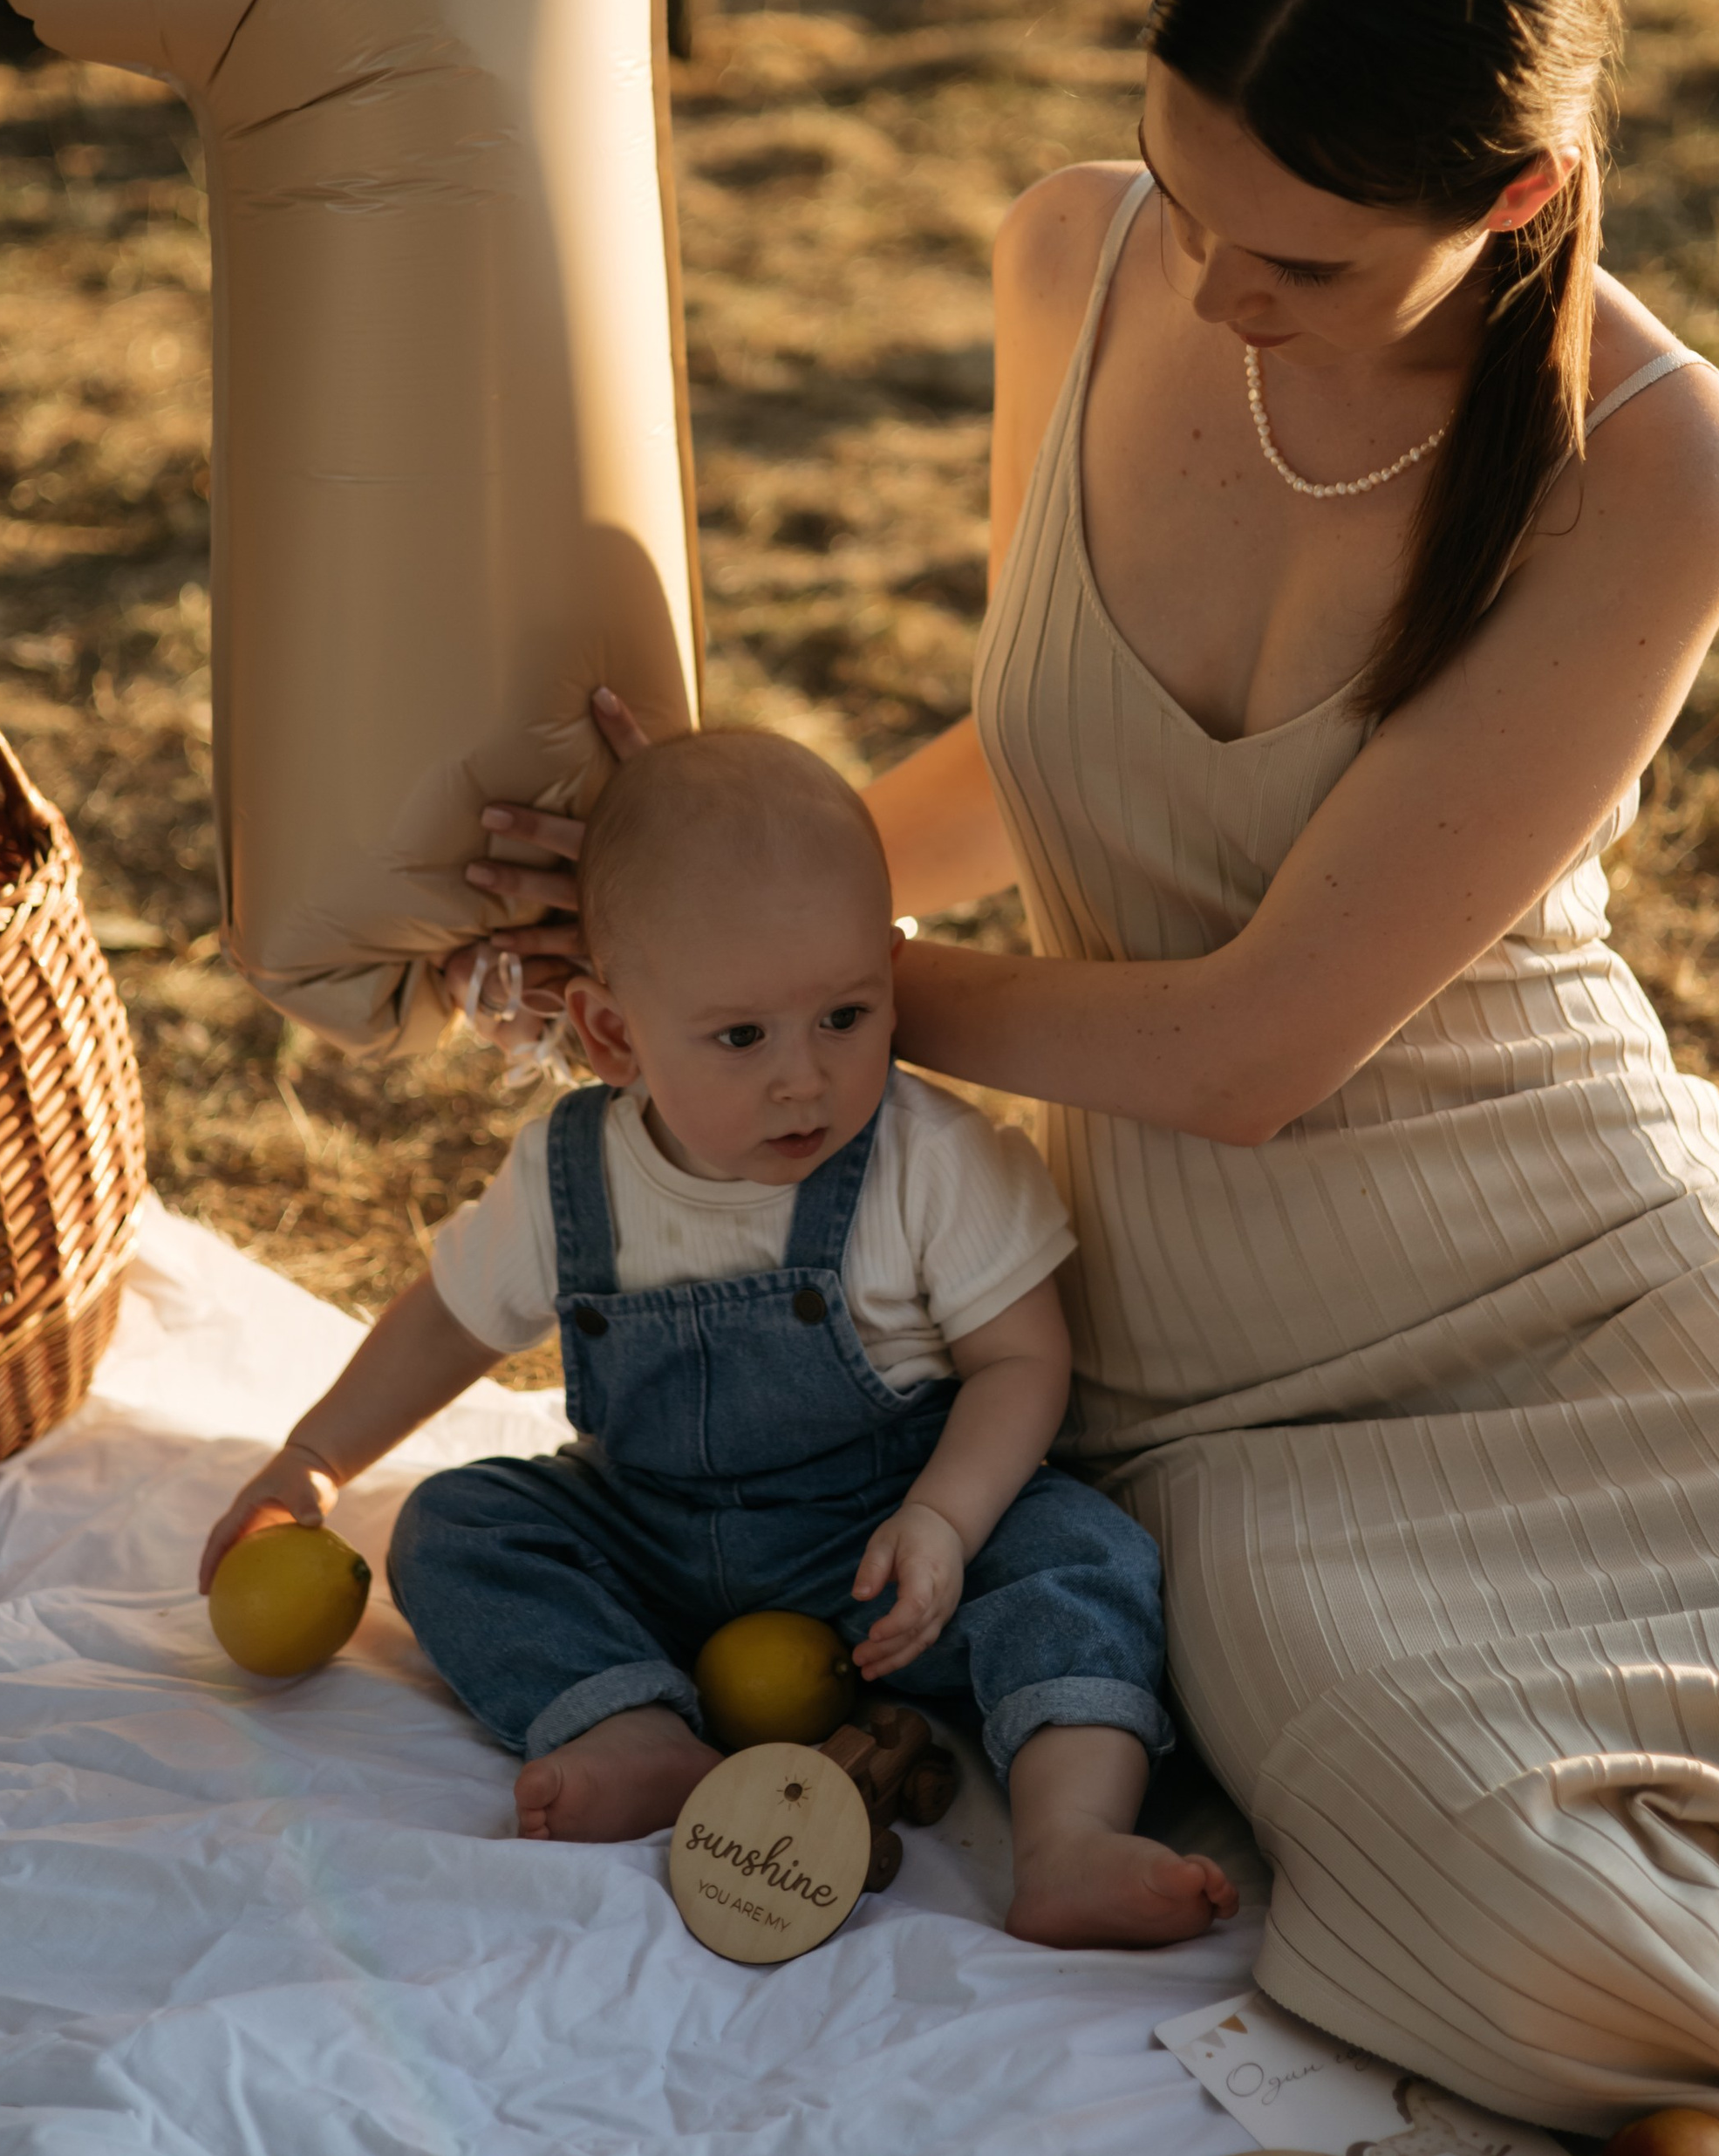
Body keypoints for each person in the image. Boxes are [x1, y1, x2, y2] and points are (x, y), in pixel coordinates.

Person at [465, 0, 1719, 2156]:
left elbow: (1256, 1047)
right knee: (1531, 1959)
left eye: (1285, 252)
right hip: (1227, 1389)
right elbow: (1027, 752)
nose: (1202, 286)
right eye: (1183, 196)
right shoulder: (1075, 259)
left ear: (1506, 205)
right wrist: (717, 928)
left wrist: (812, 1000)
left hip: (1594, 1264)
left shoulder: (1663, 461)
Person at [203, 729, 1234, 1951]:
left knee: (1077, 1554)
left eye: (847, 1014)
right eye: (742, 1038)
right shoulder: (574, 1175)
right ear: (612, 1034)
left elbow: (1023, 1359)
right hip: (646, 1535)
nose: (806, 1080)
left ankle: (1068, 1838)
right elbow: (448, 1322)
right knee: (457, 1525)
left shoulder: (924, 1159)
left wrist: (948, 1524)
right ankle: (631, 1727)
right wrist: (312, 1460)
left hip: (879, 1560)